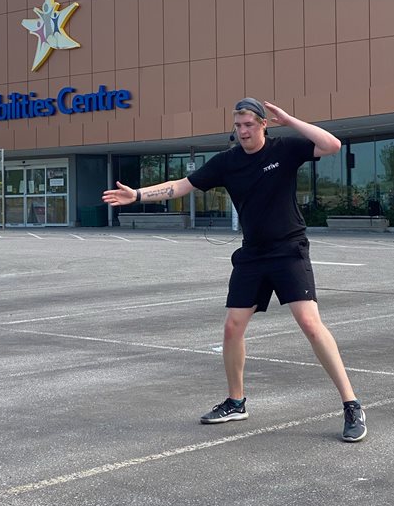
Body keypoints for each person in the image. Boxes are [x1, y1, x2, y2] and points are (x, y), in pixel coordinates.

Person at [102, 98, 367, 442]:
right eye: (238, 125)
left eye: (249, 125)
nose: (242, 131)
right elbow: (183, 186)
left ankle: (351, 404)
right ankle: (236, 401)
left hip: (289, 250)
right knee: (232, 327)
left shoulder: (284, 149)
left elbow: (331, 145)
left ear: (262, 125)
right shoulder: (226, 163)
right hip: (252, 254)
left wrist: (288, 119)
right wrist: (137, 195)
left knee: (310, 323)